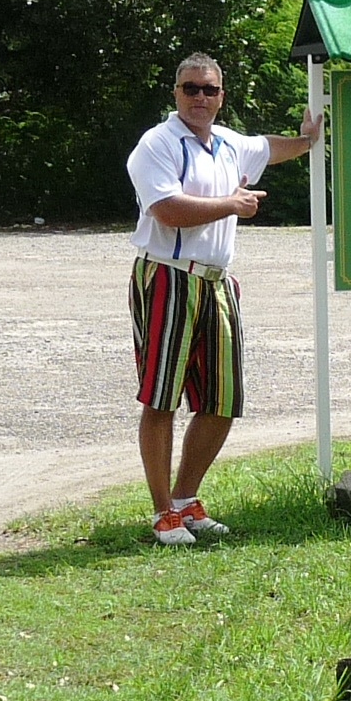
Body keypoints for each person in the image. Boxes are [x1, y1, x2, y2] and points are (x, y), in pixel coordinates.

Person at [126, 52, 322, 545]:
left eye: (209, 90)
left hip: (217, 281)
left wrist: (307, 139)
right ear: (176, 93)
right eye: (190, 88)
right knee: (161, 396)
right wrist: (232, 205)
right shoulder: (157, 144)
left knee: (222, 398)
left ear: (221, 96)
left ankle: (184, 499)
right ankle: (161, 514)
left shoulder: (229, 143)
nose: (199, 98)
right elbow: (167, 210)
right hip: (168, 275)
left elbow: (267, 148)